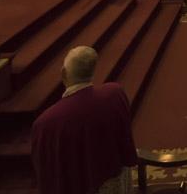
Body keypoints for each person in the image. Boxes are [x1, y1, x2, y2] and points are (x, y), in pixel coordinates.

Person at [31, 46, 137, 194]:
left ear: (63, 74)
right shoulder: (114, 94)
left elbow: (48, 171)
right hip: (115, 182)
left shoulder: (46, 123)